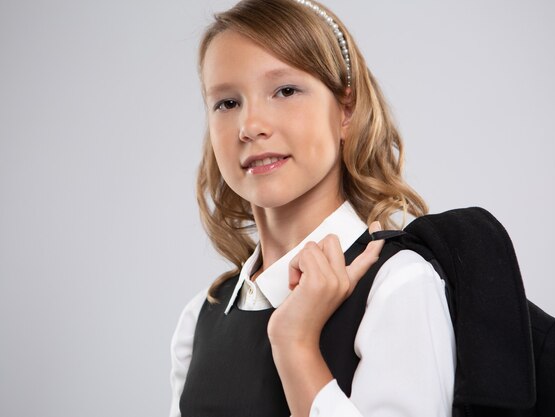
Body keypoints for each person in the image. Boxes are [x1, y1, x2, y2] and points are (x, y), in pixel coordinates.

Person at [169, 0, 455, 416]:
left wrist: (296, 344)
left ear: (346, 110)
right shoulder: (199, 319)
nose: (250, 126)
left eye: (285, 91)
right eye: (227, 103)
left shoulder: (398, 285)